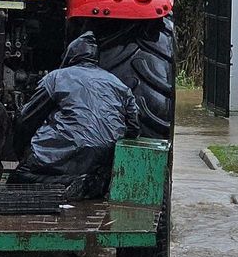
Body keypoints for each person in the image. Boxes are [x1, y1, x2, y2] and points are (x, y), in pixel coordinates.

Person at [10, 32, 140, 199]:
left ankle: (71, 182)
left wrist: (22, 151)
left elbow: (27, 119)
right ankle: (94, 182)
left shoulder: (56, 78)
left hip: (64, 151)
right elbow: (134, 128)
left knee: (19, 177)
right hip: (103, 157)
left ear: (70, 55)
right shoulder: (119, 84)